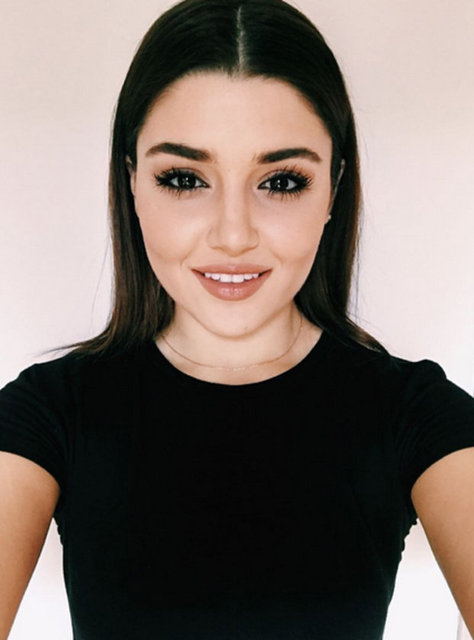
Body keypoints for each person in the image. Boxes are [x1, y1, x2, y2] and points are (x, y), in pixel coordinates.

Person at [0, 0, 473, 638]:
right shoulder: (47, 415)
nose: (232, 235)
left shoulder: (418, 415)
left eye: (280, 182)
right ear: (132, 182)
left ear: (333, 189)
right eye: (184, 178)